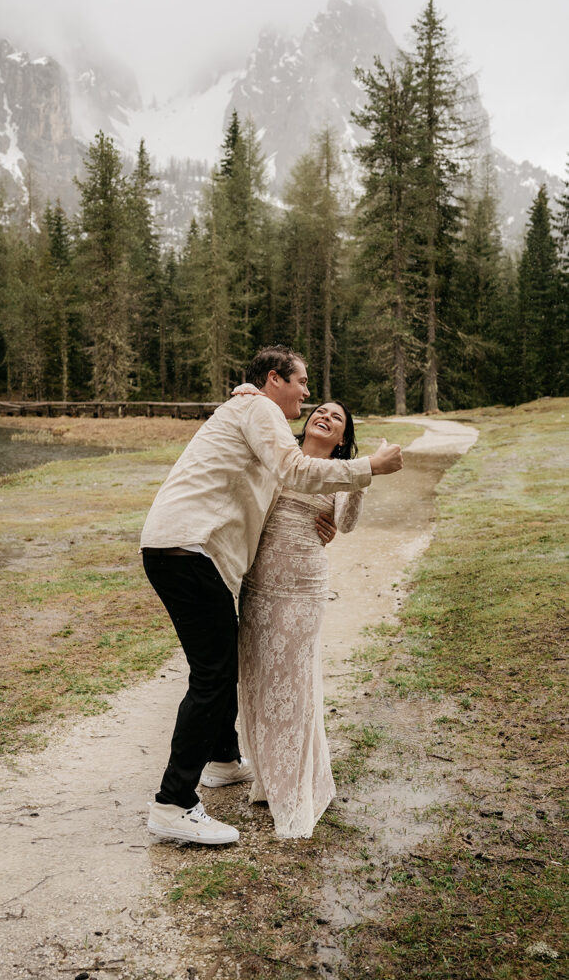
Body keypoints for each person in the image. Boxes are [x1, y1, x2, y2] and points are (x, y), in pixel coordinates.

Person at [140, 346, 403, 845]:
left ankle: (221, 760)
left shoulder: (250, 407)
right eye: (302, 383)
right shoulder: (259, 408)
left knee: (223, 663)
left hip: (187, 548)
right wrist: (370, 467)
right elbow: (295, 471)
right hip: (190, 548)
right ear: (274, 379)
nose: (309, 395)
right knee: (214, 675)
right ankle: (174, 802)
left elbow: (296, 492)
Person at [238, 399, 366, 838]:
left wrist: (361, 478)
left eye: (337, 418)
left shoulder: (341, 475)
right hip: (258, 583)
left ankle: (294, 791)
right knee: (256, 679)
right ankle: (268, 777)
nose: (325, 416)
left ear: (343, 439)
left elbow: (346, 523)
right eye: (321, 410)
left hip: (302, 588)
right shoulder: (281, 458)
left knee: (293, 684)